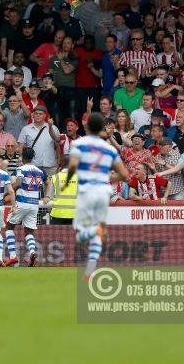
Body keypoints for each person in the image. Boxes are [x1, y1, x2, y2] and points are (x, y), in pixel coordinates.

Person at [65, 113, 129, 278]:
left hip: (87, 191)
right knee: (98, 229)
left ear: (86, 127)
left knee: (80, 232)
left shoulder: (79, 143)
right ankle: (90, 270)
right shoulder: (109, 148)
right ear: (102, 128)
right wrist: (109, 177)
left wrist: (67, 180)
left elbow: (72, 165)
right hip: (103, 192)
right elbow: (123, 173)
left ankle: (93, 231)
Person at [4, 147, 47, 267]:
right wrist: (47, 195)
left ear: (22, 157)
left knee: (9, 227)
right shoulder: (40, 171)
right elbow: (48, 182)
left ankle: (13, 257)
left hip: (22, 202)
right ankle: (32, 252)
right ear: (32, 157)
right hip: (34, 204)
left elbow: (17, 184)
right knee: (29, 231)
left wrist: (6, 193)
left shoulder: (20, 169)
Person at [17, 105, 59, 176]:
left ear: (45, 116)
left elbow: (58, 146)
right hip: (33, 166)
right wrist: (21, 159)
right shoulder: (26, 129)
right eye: (36, 113)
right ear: (33, 115)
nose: (38, 115)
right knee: (33, 187)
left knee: (51, 187)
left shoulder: (53, 128)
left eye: (40, 114)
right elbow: (21, 146)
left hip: (50, 166)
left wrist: (59, 161)